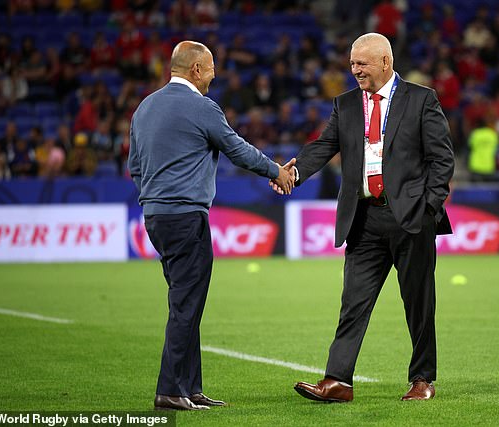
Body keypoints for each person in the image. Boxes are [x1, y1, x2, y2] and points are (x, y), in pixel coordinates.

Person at [271, 33, 454, 402]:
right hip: (364, 219)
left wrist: (427, 209)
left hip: (410, 219)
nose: (354, 70)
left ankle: (422, 379)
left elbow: (442, 159)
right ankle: (338, 380)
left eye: (362, 64)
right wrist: (294, 173)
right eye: (352, 64)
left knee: (418, 304)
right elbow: (325, 144)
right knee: (353, 303)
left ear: (385, 62)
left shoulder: (421, 99)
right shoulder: (346, 104)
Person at [128, 40, 294, 411]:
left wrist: (154, 198)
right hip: (187, 217)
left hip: (156, 218)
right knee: (186, 305)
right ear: (196, 70)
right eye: (212, 67)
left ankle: (190, 386)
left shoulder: (144, 108)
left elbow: (135, 167)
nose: (215, 75)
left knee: (186, 302)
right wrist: (276, 171)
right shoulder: (201, 107)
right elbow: (237, 149)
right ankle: (170, 390)